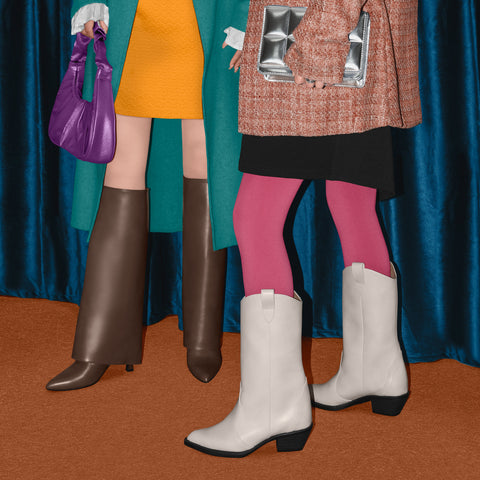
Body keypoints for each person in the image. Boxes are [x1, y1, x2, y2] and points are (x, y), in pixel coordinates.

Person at [185, 0, 422, 457]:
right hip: (356, 47)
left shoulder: (317, 47)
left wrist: (317, 45)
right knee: (350, 201)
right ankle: (375, 370)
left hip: (315, 49)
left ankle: (273, 406)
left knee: (255, 218)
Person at [46, 0, 248, 391]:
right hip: (133, 31)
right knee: (119, 168)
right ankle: (98, 346)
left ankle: (203, 339)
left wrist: (243, 21)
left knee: (204, 164)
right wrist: (91, 7)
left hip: (204, 32)